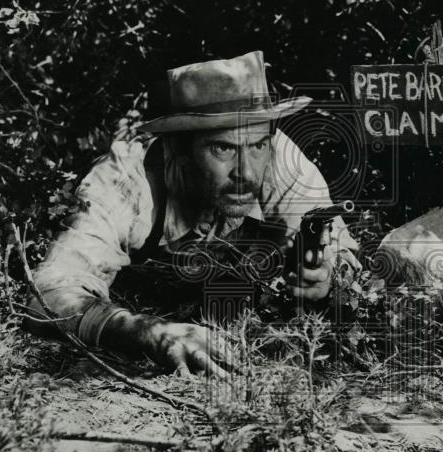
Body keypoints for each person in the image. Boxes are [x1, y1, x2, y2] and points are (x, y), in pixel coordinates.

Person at [29, 51, 360, 376]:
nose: (245, 172)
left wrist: (329, 275)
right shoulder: (127, 179)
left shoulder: (281, 159)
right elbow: (49, 295)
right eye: (222, 148)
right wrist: (153, 335)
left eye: (257, 146)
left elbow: (344, 254)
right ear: (178, 150)